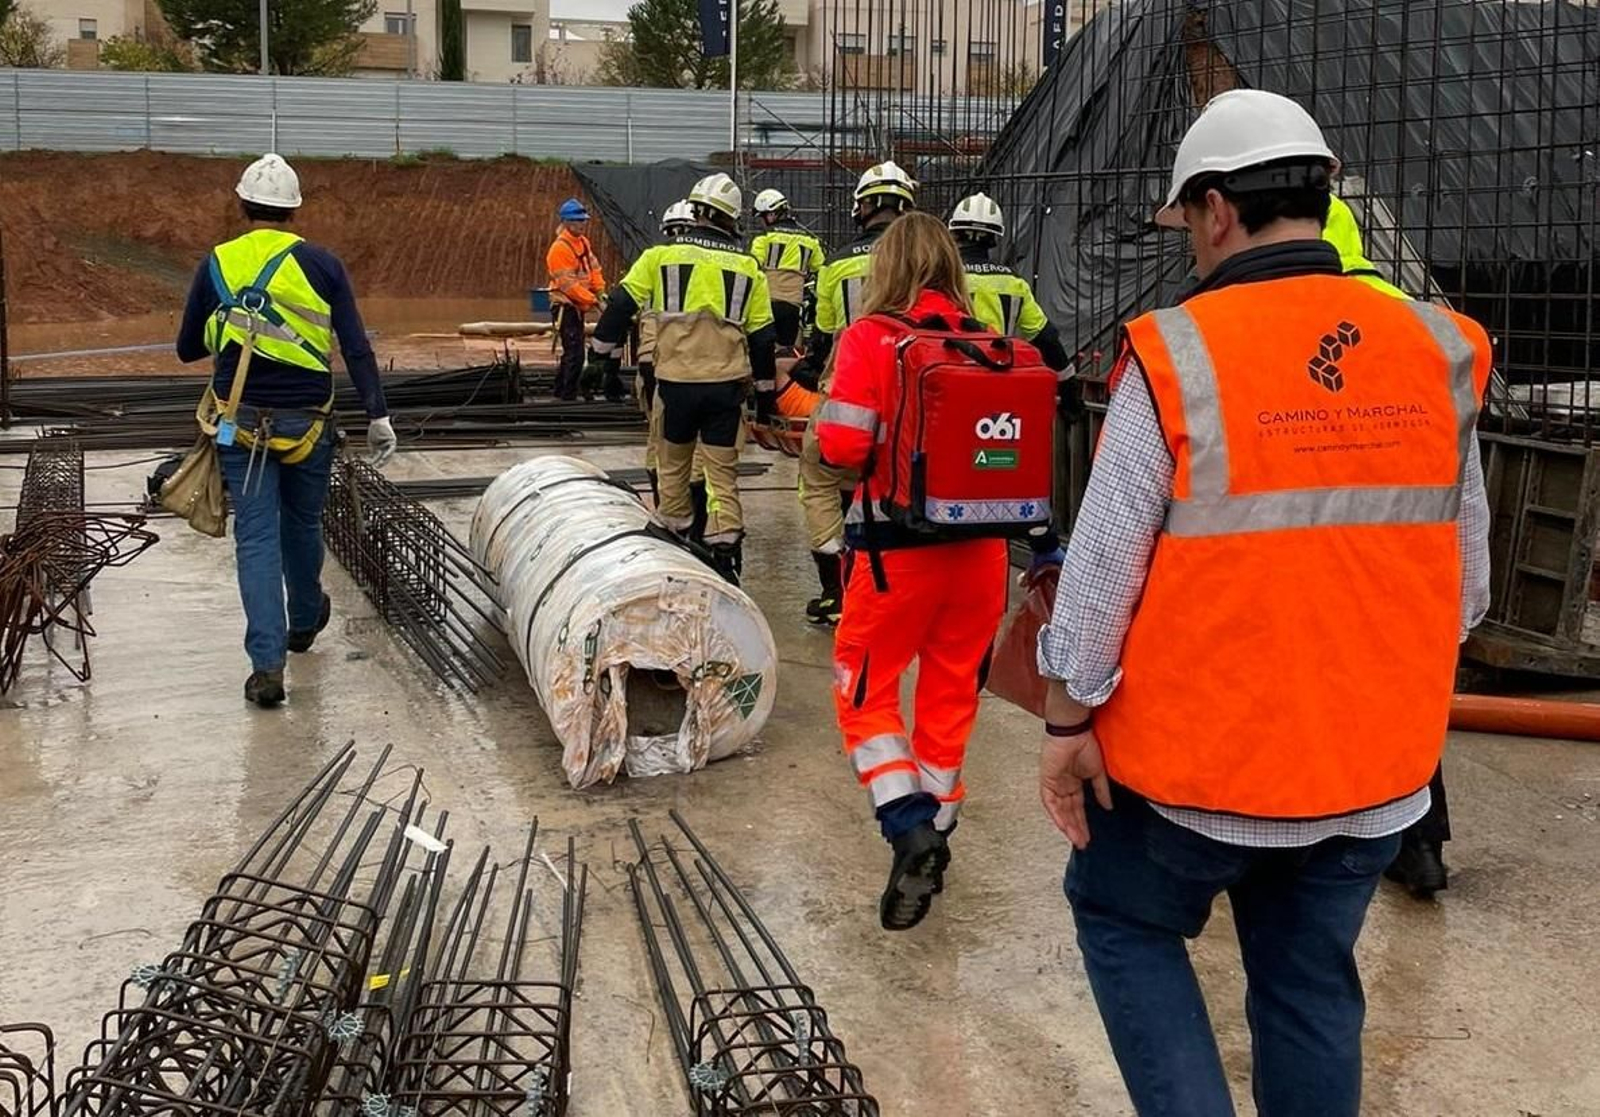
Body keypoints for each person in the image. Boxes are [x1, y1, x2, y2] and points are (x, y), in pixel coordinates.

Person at [1033, 90, 1492, 1116]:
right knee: (1306, 985)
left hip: (1193, 781)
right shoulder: (1438, 350)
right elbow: (1466, 590)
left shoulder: (1177, 354)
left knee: (1124, 920)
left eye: (1187, 224)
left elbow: (1102, 573)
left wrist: (1068, 720)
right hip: (1370, 779)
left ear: (1214, 210)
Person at [816, 211, 1016, 931]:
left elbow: (841, 445)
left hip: (895, 550)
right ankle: (939, 827)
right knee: (950, 693)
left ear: (887, 267)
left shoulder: (873, 337)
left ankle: (908, 827)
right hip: (986, 553)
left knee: (862, 691)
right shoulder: (988, 342)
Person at [176, 153, 395, 709]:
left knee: (254, 537)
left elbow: (186, 349)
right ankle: (302, 622)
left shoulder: (218, 263)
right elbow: (355, 344)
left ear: (243, 204)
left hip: (238, 422)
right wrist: (378, 414)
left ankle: (266, 667)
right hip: (307, 422)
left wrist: (229, 322)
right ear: (294, 210)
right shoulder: (323, 265)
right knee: (302, 522)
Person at [1324, 192, 1456, 898]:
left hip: (1328, 549)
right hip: (1406, 550)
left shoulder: (1285, 320)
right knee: (1403, 700)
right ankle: (1422, 846)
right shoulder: (1417, 325)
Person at [589, 173, 776, 583]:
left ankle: (676, 542)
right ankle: (725, 553)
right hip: (727, 389)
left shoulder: (660, 257)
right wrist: (766, 398)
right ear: (731, 219)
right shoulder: (748, 268)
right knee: (721, 472)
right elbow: (763, 339)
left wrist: (598, 358)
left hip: (676, 387)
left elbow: (621, 304)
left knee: (673, 466)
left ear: (695, 211)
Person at [797, 160, 917, 625]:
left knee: (821, 479)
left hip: (847, 397)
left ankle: (836, 592)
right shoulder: (925, 264)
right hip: (908, 403)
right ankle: (892, 587)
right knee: (892, 486)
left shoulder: (838, 265)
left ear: (863, 207)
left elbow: (824, 336)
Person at [950, 191, 1074, 572]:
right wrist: (1067, 386)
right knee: (1008, 465)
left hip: (953, 389)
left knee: (954, 464)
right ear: (994, 237)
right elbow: (1046, 339)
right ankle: (1041, 538)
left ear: (954, 235)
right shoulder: (1013, 284)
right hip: (1000, 391)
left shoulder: (943, 280)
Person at [636, 199, 697, 503]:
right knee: (690, 452)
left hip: (656, 366)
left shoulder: (651, 263)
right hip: (684, 370)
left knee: (657, 439)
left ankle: (666, 506)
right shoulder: (708, 266)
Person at [749, 188, 826, 350]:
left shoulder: (763, 238)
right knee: (787, 350)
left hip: (766, 305)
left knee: (764, 349)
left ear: (771, 214)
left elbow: (752, 268)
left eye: (762, 217)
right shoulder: (810, 240)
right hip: (793, 306)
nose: (761, 223)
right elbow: (822, 271)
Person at [546, 197, 606, 401]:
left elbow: (594, 269)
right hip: (565, 306)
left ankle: (560, 392)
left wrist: (600, 292)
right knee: (575, 354)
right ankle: (567, 398)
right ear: (567, 222)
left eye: (584, 220)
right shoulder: (559, 249)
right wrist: (595, 301)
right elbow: (569, 286)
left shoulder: (582, 243)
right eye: (579, 221)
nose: (583, 224)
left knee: (573, 352)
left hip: (578, 306)